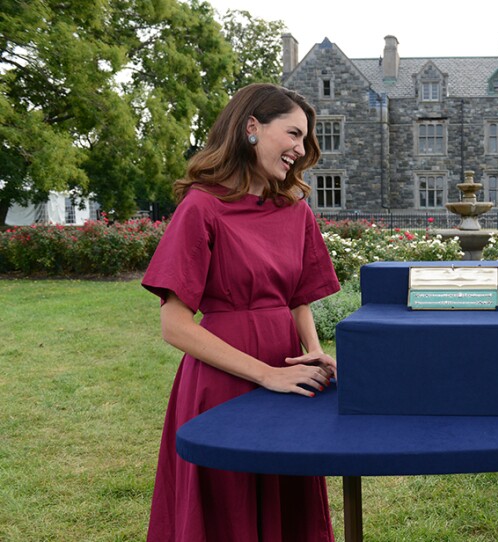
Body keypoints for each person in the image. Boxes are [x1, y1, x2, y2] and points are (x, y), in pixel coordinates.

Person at [141, 83, 340, 541]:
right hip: (222, 380)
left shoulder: (296, 211)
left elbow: (298, 298)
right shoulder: (202, 207)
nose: (300, 148)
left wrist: (313, 351)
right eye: (292, 133)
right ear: (252, 127)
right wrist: (264, 374)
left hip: (290, 373)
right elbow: (174, 325)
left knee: (287, 494)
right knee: (227, 507)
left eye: (304, 139)